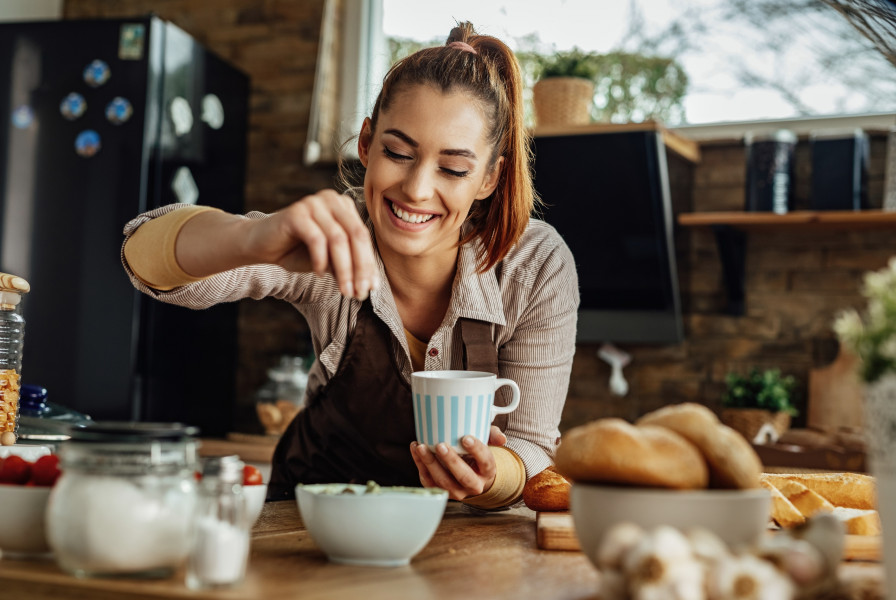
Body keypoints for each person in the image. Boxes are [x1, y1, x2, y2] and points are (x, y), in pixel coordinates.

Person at [121, 21, 579, 510]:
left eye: (453, 168)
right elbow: (140, 256)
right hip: (313, 518)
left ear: (490, 177)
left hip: (459, 535)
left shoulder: (536, 265)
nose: (418, 189)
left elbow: (531, 447)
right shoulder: (333, 235)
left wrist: (491, 478)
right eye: (398, 153)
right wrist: (252, 236)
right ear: (366, 142)